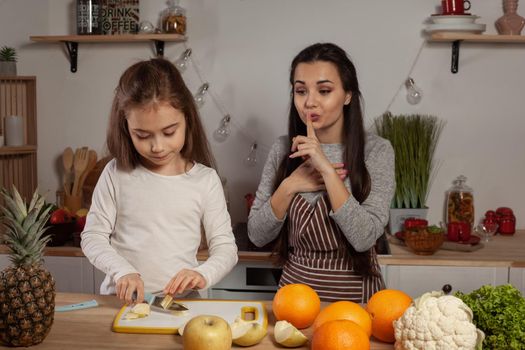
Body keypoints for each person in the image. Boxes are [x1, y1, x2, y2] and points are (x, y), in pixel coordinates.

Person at [81, 58, 238, 304]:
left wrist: (201, 273)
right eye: (142, 135)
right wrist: (123, 271)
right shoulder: (115, 173)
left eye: (169, 132)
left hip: (182, 304)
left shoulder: (205, 181)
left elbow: (226, 248)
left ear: (187, 118)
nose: (157, 146)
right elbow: (92, 237)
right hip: (121, 304)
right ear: (125, 127)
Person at [247, 43, 395, 303]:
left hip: (358, 304)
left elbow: (364, 238)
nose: (309, 102)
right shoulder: (283, 148)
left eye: (324, 90)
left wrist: (326, 169)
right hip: (294, 301)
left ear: (348, 95)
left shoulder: (377, 151)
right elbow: (257, 235)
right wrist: (289, 186)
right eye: (300, 90)